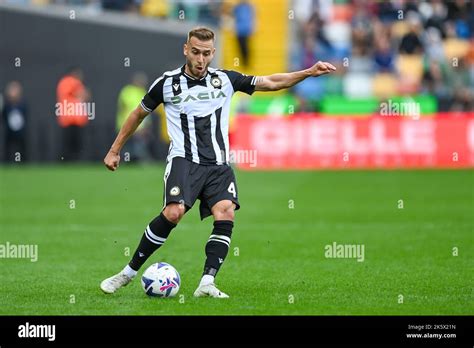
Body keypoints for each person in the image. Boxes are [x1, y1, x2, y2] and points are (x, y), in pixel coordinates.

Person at [100, 27, 336, 298]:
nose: (201, 59)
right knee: (174, 213)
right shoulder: (166, 83)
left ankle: (207, 283)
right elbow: (137, 115)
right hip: (184, 160)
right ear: (186, 49)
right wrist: (115, 150)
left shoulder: (225, 80)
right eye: (196, 52)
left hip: (219, 165)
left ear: (213, 53)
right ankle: (127, 273)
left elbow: (271, 82)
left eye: (206, 54)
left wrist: (307, 72)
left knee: (226, 212)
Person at [56, 67, 90, 161]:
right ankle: (67, 160)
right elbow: (81, 94)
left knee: (76, 143)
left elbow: (84, 96)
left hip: (76, 118)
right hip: (69, 117)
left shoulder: (76, 83)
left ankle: (73, 161)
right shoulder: (68, 82)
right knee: (69, 143)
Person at [2, 81, 28, 162]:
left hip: (20, 133)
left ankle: (22, 164)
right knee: (8, 149)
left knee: (22, 149)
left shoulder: (22, 105)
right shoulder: (6, 106)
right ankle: (7, 164)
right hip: (9, 132)